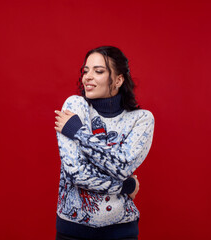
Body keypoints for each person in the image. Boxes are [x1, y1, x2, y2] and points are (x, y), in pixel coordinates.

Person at [54, 46, 154, 240]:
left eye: (98, 71)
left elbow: (122, 167)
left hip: (122, 231)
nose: (87, 77)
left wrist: (78, 133)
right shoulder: (75, 106)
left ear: (118, 80)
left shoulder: (141, 119)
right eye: (85, 71)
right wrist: (126, 186)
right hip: (73, 231)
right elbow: (77, 174)